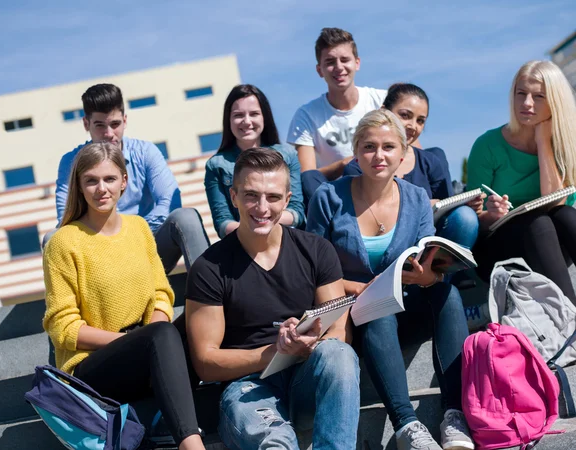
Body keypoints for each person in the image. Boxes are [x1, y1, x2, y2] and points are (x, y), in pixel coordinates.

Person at [306, 110, 474, 450]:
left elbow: (427, 250)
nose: (378, 156)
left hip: (405, 302)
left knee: (447, 295)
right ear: (355, 152)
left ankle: (454, 414)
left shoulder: (415, 198)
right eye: (368, 147)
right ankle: (407, 425)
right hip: (354, 313)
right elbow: (312, 269)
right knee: (378, 309)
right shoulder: (328, 198)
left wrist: (428, 274)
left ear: (402, 152)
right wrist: (362, 289)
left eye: (387, 147)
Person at [187, 148, 360, 449]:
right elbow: (205, 362)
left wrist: (307, 346)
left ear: (288, 198)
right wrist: (276, 352)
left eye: (273, 197)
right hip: (248, 388)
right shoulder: (208, 268)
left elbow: (339, 331)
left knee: (338, 354)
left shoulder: (316, 250)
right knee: (276, 442)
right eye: (251, 195)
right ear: (233, 197)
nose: (262, 208)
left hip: (308, 380)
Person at [42, 143, 205, 449]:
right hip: (92, 368)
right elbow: (63, 329)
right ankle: (191, 444)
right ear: (79, 185)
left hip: (147, 346)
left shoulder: (139, 228)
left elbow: (160, 293)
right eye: (91, 180)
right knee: (160, 336)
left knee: (202, 316)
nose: (101, 189)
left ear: (124, 181)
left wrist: (151, 333)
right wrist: (137, 341)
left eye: (109, 179)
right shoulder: (63, 243)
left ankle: (168, 415)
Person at [51, 83, 209, 272]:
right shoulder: (71, 162)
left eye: (115, 124)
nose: (109, 134)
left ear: (125, 121)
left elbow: (170, 202)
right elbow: (65, 220)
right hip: (98, 256)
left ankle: (209, 297)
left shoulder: (146, 152)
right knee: (52, 239)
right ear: (86, 124)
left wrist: (132, 234)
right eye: (100, 125)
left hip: (148, 248)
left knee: (186, 217)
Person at [467, 60, 576, 304]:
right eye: (521, 94)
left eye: (538, 96)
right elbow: (472, 222)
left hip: (551, 248)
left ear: (555, 102)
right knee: (538, 221)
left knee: (567, 215)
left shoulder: (565, 145)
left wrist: (543, 142)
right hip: (497, 253)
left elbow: (555, 202)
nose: (527, 103)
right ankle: (572, 318)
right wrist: (491, 214)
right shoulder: (487, 145)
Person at [344, 83, 481, 249]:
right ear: (383, 111)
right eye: (405, 115)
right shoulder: (360, 165)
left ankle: (444, 274)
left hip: (429, 245)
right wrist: (420, 205)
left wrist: (466, 205)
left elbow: (448, 210)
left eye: (420, 121)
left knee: (465, 217)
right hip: (379, 242)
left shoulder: (430, 162)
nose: (413, 126)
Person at [286, 27, 387, 206]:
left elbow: (412, 152)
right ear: (319, 70)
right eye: (330, 62)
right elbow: (308, 175)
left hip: (381, 183)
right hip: (338, 197)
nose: (339, 67)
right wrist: (343, 165)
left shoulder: (381, 101)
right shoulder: (306, 115)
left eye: (345, 60)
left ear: (357, 63)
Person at [205, 84, 305, 238]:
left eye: (254, 114)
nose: (247, 121)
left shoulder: (288, 155)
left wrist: (263, 222)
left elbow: (296, 213)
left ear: (264, 116)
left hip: (283, 238)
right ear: (228, 119)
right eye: (238, 115)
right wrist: (252, 229)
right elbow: (223, 222)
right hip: (241, 245)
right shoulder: (216, 165)